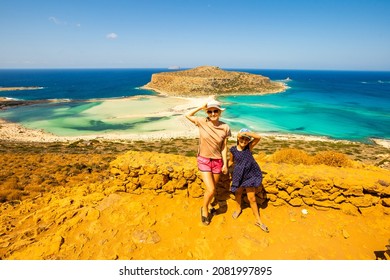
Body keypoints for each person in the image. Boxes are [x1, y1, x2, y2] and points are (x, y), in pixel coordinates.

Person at [185, 100, 231, 225]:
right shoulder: (201, 122)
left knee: (212, 188)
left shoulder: (225, 127)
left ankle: (210, 203)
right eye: (210, 111)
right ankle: (204, 208)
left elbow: (224, 147)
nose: (212, 113)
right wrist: (201, 107)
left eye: (215, 111)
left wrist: (225, 164)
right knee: (211, 189)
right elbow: (187, 115)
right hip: (204, 159)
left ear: (219, 112)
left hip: (217, 161)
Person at [228, 128, 269, 232]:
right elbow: (231, 161)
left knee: (252, 198)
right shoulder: (233, 150)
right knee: (238, 193)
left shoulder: (249, 147)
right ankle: (238, 209)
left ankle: (258, 220)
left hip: (250, 175)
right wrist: (224, 167)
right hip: (238, 174)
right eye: (242, 138)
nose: (244, 141)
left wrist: (245, 133)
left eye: (247, 139)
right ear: (238, 138)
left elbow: (258, 137)